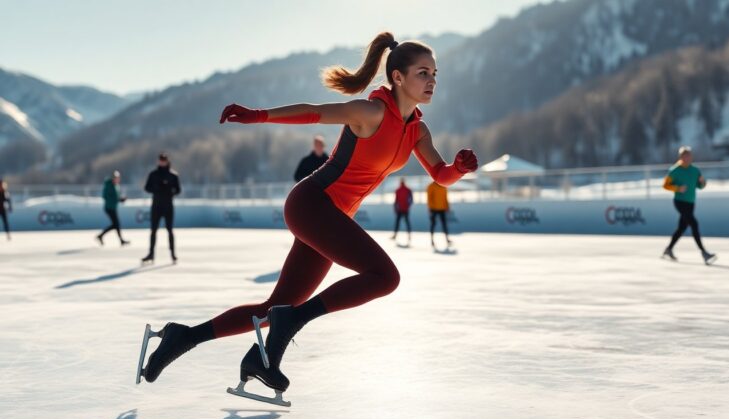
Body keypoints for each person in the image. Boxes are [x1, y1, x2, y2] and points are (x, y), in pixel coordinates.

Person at [139, 32, 478, 398]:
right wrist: (259, 116)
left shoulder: (417, 131)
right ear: (398, 77)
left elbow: (440, 175)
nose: (432, 81)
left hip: (331, 216)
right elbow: (313, 111)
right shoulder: (371, 112)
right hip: (312, 204)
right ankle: (291, 322)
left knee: (274, 307)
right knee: (384, 276)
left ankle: (186, 339)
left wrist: (458, 168)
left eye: (434, 73)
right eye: (422, 73)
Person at [662, 146, 716, 264]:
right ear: (680, 157)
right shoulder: (674, 170)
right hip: (680, 202)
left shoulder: (695, 170)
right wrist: (677, 188)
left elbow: (700, 186)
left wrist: (703, 183)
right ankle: (704, 252)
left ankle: (668, 249)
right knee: (694, 224)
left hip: (691, 202)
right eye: (684, 156)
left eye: (688, 156)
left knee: (682, 228)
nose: (686, 158)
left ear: (691, 157)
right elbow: (665, 185)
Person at [142, 153, 181, 264]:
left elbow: (178, 190)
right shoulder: (153, 175)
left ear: (167, 161)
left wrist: (170, 190)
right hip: (156, 206)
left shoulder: (173, 175)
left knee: (170, 230)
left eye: (164, 160)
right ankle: (151, 254)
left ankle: (173, 254)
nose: (162, 162)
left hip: (168, 206)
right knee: (153, 231)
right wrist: (156, 188)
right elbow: (147, 188)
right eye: (160, 160)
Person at [96, 170, 129, 246]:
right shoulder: (108, 185)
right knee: (116, 224)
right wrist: (118, 199)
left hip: (113, 207)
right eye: (116, 178)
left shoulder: (116, 186)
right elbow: (105, 196)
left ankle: (101, 236)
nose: (117, 179)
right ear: (113, 178)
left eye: (118, 178)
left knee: (116, 224)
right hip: (109, 207)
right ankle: (119, 240)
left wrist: (120, 199)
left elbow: (116, 197)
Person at [427, 181, 451, 248]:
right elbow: (429, 198)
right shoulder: (431, 186)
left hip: (442, 209)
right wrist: (430, 208)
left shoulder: (444, 186)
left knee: (444, 224)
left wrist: (447, 206)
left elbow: (445, 197)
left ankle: (447, 239)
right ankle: (432, 240)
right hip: (434, 209)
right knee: (433, 224)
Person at [391, 178, 413, 243]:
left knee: (401, 222)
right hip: (402, 209)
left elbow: (396, 200)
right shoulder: (404, 190)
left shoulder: (401, 190)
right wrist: (408, 206)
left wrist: (395, 208)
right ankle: (407, 235)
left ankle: (406, 235)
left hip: (402, 209)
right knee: (404, 222)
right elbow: (396, 200)